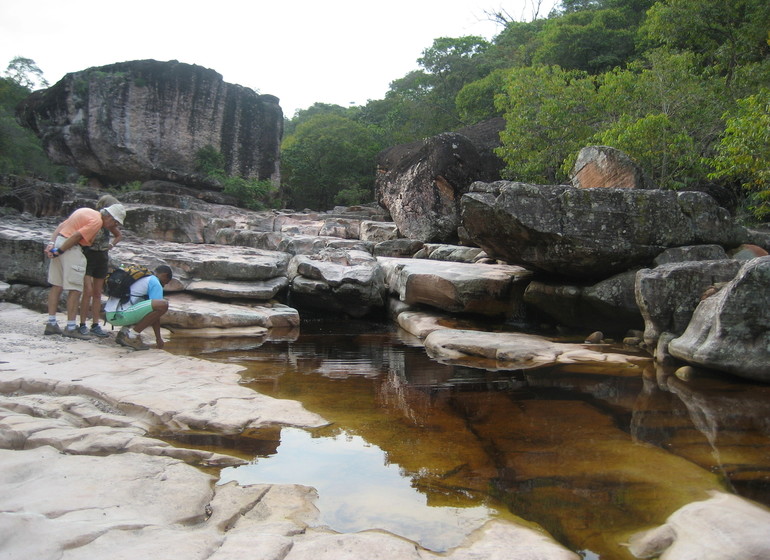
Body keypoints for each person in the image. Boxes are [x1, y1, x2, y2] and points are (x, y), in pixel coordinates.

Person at [44, 204, 126, 339]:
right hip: (70, 247)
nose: (114, 225)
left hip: (60, 241)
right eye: (115, 221)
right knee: (76, 289)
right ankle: (71, 327)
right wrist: (60, 251)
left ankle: (51, 323)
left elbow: (61, 226)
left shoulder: (86, 211)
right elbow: (76, 236)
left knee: (56, 285)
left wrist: (52, 244)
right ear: (109, 216)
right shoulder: (97, 221)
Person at [78, 195, 123, 337]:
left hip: (102, 256)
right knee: (88, 291)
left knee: (97, 293)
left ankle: (95, 324)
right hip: (89, 255)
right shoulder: (95, 220)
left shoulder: (108, 223)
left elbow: (118, 235)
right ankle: (82, 324)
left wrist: (111, 245)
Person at [104, 265, 173, 351]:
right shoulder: (155, 282)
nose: (164, 285)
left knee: (141, 303)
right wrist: (158, 338)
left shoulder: (143, 277)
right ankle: (132, 336)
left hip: (111, 314)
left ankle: (123, 333)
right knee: (163, 305)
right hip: (121, 316)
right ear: (165, 275)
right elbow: (156, 314)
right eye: (166, 282)